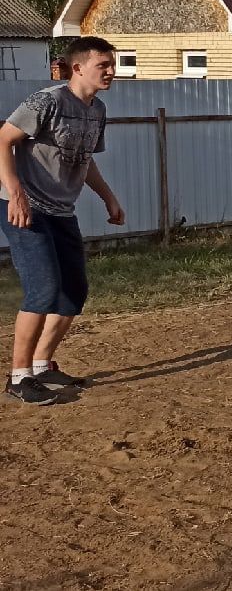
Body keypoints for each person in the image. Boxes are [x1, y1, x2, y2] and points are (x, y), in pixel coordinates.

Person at [2, 36, 125, 405]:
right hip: (26, 207)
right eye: (103, 65)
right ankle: (18, 377)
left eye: (111, 64)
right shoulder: (48, 101)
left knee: (73, 291)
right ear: (78, 67)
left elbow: (84, 160)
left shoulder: (96, 110)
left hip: (61, 211)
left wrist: (109, 198)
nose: (110, 71)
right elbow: (3, 139)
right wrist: (16, 193)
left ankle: (42, 366)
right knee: (43, 289)